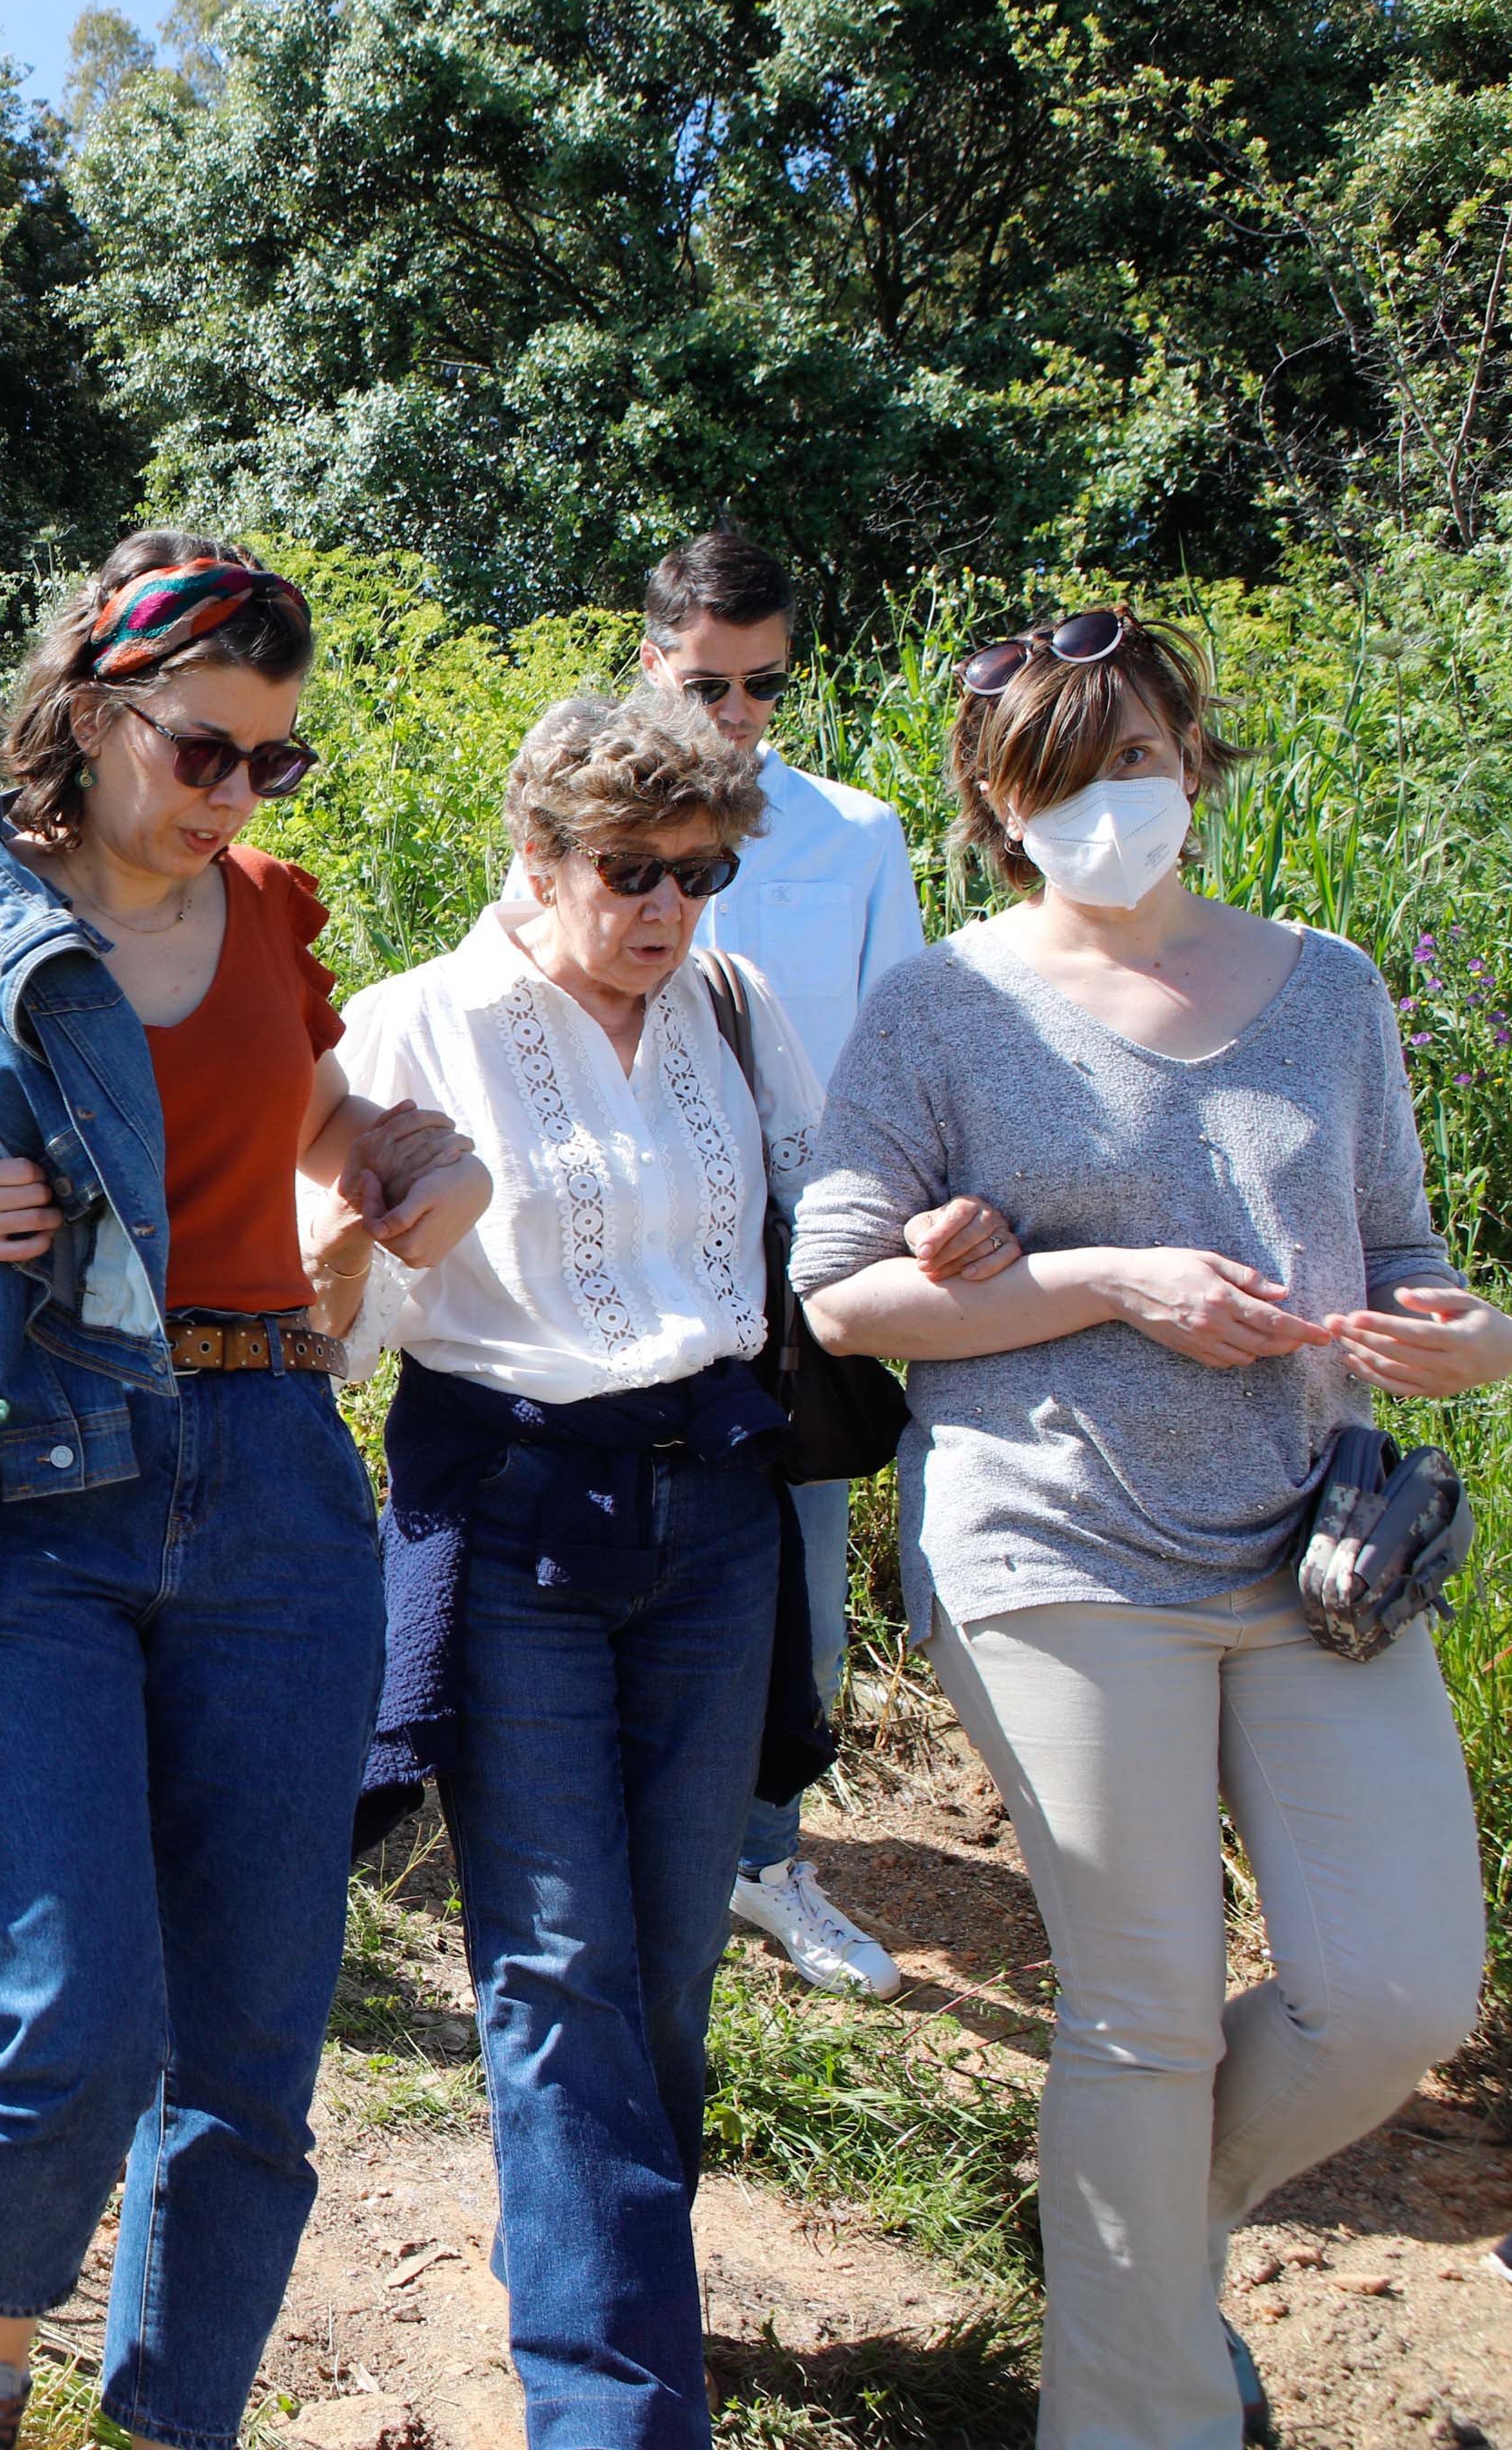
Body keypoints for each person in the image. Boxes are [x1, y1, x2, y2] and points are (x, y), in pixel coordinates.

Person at [0, 532, 490, 2450]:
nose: (236, 797)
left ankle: (176, 2423)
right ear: (89, 716)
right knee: (72, 2017)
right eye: (202, 751)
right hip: (26, 1489)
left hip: (269, 1485)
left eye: (275, 762)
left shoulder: (263, 912)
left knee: (251, 2054)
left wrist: (414, 1158)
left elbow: (327, 1123)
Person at [795, 607, 1512, 2450]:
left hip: (1310, 1552)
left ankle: (1142, 2236)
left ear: (1193, 758)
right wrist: (1107, 1280)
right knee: (1146, 2007)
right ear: (994, 800)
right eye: (1059, 775)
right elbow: (846, 1297)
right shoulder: (941, 1005)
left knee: (1397, 1989)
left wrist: (1461, 1339)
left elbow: (1409, 1250)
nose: (1109, 802)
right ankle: (1140, 2412)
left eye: (1135, 758)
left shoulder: (1333, 986)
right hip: (1052, 1546)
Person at [329, 688, 1009, 2450]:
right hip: (514, 1525)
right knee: (558, 1971)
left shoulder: (730, 998)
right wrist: (359, 1231)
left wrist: (930, 1230)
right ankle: (617, 2404)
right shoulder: (413, 1027)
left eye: (700, 873)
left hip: (712, 1525)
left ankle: (605, 2272)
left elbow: (826, 1202)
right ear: (535, 854)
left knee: (671, 1976)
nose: (668, 911)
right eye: (632, 870)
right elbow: (342, 1339)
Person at [632, 530, 926, 2004]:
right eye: (704, 684)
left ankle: (764, 1854)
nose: (734, 714)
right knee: (620, 1543)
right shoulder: (579, 829)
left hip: (796, 1262)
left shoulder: (851, 838)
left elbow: (896, 1056)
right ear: (648, 665)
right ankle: (631, 1831)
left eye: (758, 686)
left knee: (802, 1573)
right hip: (622, 1258)